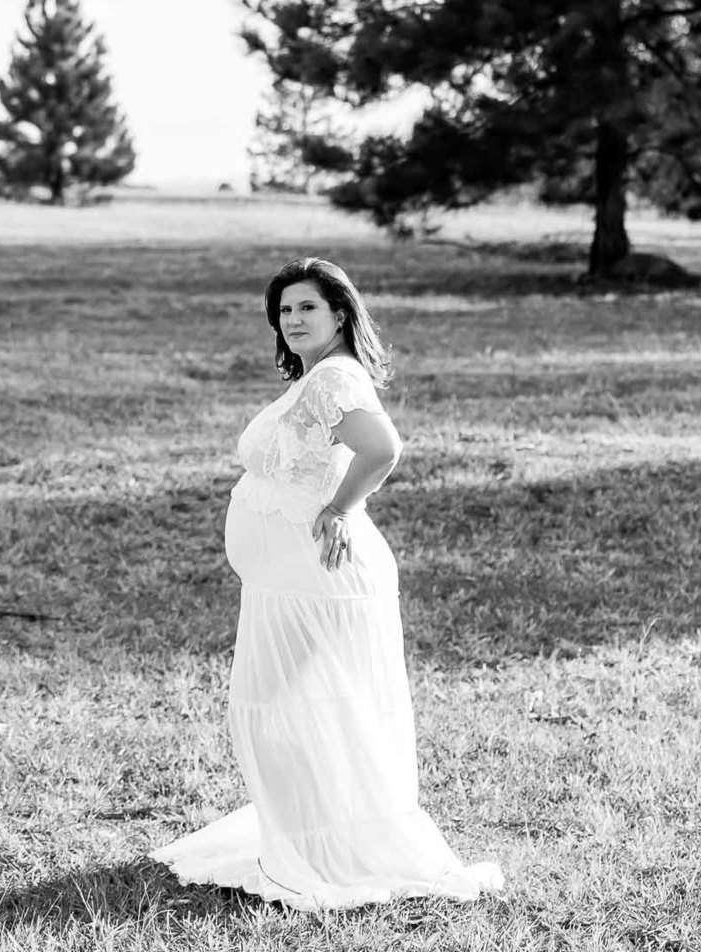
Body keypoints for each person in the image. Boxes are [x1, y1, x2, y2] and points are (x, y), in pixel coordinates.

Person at [151, 255, 503, 912]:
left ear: (340, 314)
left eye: (308, 306)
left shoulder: (333, 379)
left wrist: (339, 509)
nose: (293, 319)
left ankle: (325, 851)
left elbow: (383, 448)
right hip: (290, 581)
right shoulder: (318, 378)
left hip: (318, 577)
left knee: (289, 712)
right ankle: (311, 838)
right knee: (302, 713)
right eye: (285, 310)